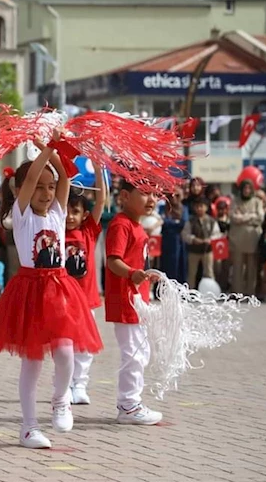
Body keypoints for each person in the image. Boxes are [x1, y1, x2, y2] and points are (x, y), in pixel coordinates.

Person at [0, 133, 103, 450]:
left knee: (65, 353)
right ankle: (29, 427)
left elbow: (63, 176)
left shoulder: (59, 212)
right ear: (21, 191)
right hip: (31, 290)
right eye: (38, 187)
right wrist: (44, 147)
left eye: (50, 188)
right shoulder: (21, 216)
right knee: (31, 362)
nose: (46, 193)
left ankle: (61, 400)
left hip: (60, 288)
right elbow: (34, 173)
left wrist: (55, 143)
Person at [105, 180, 162, 425]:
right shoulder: (121, 225)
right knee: (134, 353)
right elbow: (112, 261)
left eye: (154, 194)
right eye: (145, 193)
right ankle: (129, 405)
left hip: (137, 300)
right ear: (125, 196)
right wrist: (131, 274)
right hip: (125, 300)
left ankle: (131, 402)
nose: (151, 199)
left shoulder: (138, 227)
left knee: (141, 350)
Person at [64, 163, 105, 406]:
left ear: (84, 215)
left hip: (86, 299)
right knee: (65, 344)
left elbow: (100, 201)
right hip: (63, 299)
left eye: (75, 211)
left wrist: (99, 171)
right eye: (66, 211)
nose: (70, 216)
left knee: (84, 345)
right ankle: (66, 384)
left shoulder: (89, 232)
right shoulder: (56, 231)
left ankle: (80, 384)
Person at [229, 180, 264, 295]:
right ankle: (237, 293)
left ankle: (250, 293)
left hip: (252, 239)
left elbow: (260, 218)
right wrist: (250, 217)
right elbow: (233, 217)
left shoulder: (257, 202)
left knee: (251, 268)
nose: (247, 191)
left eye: (249, 188)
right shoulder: (235, 201)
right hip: (237, 240)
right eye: (245, 188)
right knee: (237, 268)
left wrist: (243, 217)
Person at [182, 197, 221, 289]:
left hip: (208, 250)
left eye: (201, 206)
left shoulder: (211, 221)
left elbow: (217, 234)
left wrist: (210, 240)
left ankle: (210, 291)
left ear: (206, 208)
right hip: (194, 250)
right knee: (192, 273)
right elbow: (184, 234)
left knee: (209, 272)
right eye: (197, 207)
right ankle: (190, 292)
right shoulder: (190, 221)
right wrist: (193, 239)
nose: (199, 209)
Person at [160, 187, 188, 283]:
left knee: (179, 266)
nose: (174, 198)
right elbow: (163, 222)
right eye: (171, 196)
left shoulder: (184, 209)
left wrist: (170, 223)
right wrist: (175, 222)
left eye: (177, 195)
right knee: (166, 266)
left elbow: (183, 222)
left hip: (179, 242)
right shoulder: (164, 208)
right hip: (166, 241)